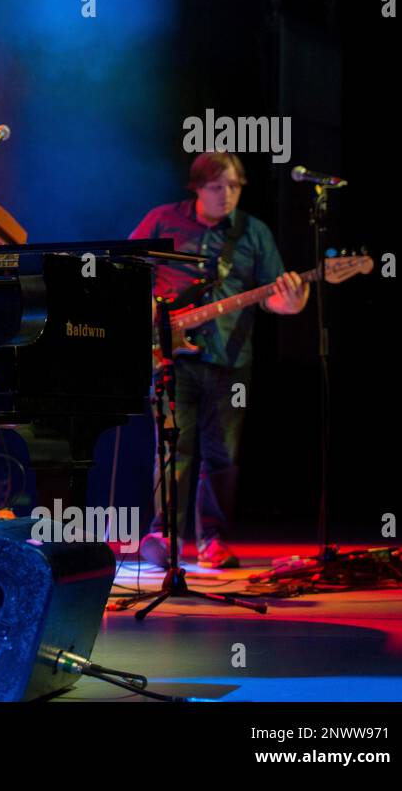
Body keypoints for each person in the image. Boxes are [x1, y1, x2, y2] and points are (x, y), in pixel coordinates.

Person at [130, 150, 308, 569]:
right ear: (196, 188)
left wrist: (293, 303)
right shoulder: (162, 220)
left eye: (235, 186)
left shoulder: (254, 232)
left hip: (231, 361)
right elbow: (125, 271)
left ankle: (213, 539)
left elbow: (275, 298)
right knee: (173, 447)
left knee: (223, 454)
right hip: (170, 358)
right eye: (217, 187)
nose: (227, 194)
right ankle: (163, 534)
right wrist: (153, 314)